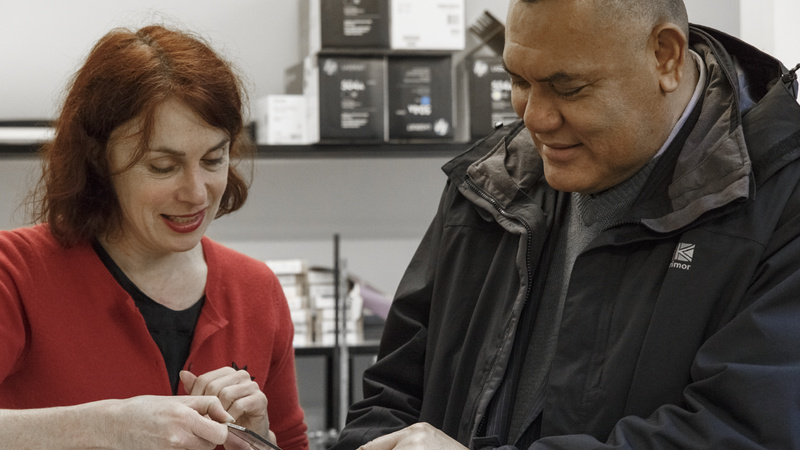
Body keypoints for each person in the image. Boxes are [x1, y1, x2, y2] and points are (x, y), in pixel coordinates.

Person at [332, 0, 800, 448]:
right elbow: (390, 395)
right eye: (518, 81)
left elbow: (743, 432)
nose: (535, 117)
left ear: (664, 57)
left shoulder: (782, 203)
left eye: (569, 88)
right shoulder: (491, 182)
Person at [0, 25, 308, 450]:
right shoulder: (15, 273)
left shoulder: (255, 290)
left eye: (214, 159)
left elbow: (290, 443)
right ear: (99, 160)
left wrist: (258, 440)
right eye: (163, 167)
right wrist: (104, 427)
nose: (197, 193)